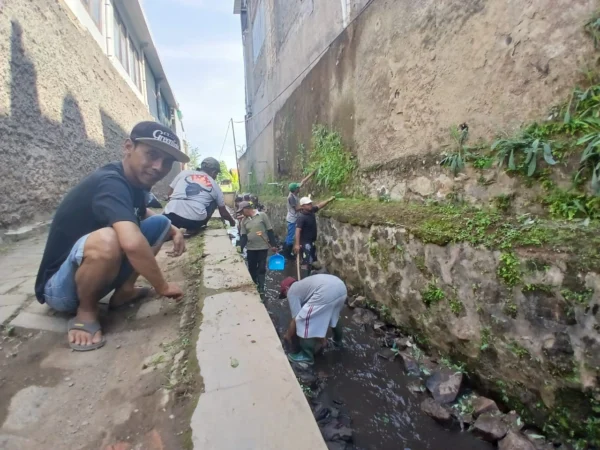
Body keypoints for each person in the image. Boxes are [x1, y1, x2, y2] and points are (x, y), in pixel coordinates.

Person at [35, 121, 189, 351]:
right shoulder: (110, 182)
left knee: (160, 222)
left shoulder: (134, 183)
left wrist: (173, 228)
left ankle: (124, 292)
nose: (159, 167)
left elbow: (141, 212)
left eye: (167, 162)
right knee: (111, 238)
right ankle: (86, 312)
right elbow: (131, 242)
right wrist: (162, 286)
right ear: (128, 147)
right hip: (61, 289)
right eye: (152, 155)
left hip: (95, 273)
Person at [279, 274, 347, 364]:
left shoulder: (291, 291)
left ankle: (306, 356)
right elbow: (320, 318)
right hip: (341, 287)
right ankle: (337, 342)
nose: (286, 297)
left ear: (287, 289)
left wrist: (287, 335)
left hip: (326, 292)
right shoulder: (304, 286)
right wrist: (322, 339)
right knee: (333, 316)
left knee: (304, 320)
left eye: (284, 294)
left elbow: (296, 319)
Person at [163, 157, 236, 235]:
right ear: (214, 172)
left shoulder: (184, 173)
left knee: (174, 201)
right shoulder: (215, 186)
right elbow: (223, 212)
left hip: (170, 215)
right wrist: (232, 222)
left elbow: (169, 194)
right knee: (215, 201)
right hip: (193, 221)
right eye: (216, 174)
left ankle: (171, 227)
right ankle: (193, 229)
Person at [238, 201, 278, 294]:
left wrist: (274, 245)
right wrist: (239, 247)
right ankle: (254, 284)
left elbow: (270, 231)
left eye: (242, 211)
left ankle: (261, 287)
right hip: (251, 248)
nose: (241, 213)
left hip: (262, 247)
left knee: (261, 268)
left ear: (247, 209)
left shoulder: (262, 215)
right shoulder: (244, 221)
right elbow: (244, 237)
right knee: (251, 268)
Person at [294, 195, 336, 272]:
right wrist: (297, 244)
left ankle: (311, 274)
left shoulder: (311, 210)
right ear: (303, 206)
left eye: (310, 203)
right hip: (305, 243)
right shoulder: (301, 217)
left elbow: (319, 205)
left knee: (312, 259)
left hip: (312, 241)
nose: (310, 205)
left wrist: (328, 200)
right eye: (308, 204)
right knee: (307, 261)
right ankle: (305, 276)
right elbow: (297, 231)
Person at [284, 171, 316, 258]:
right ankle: (287, 254)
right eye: (298, 188)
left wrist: (311, 174)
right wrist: (305, 205)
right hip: (292, 219)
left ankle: (290, 251)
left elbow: (302, 182)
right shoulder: (291, 198)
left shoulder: (294, 193)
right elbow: (297, 209)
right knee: (291, 236)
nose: (300, 188)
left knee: (292, 235)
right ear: (295, 190)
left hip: (295, 217)